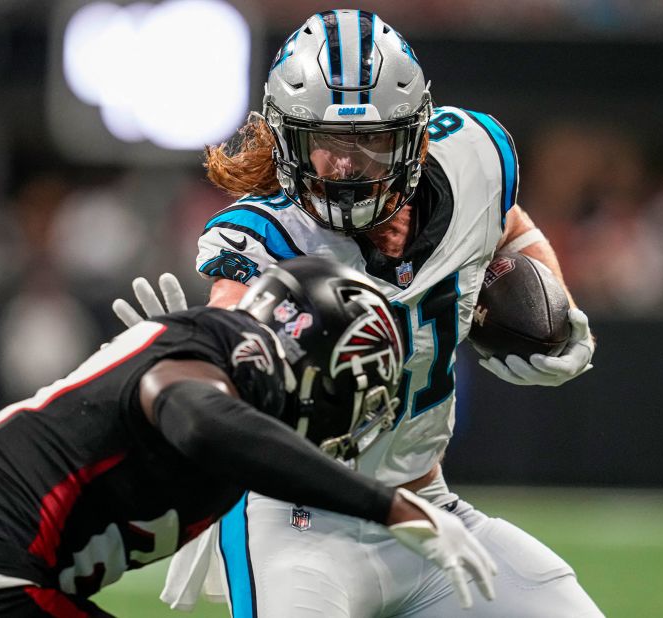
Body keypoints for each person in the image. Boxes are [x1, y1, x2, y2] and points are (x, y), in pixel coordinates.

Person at [117, 9, 601, 617]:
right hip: (293, 524)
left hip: (429, 511)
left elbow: (507, 225)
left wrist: (549, 293)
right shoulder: (264, 239)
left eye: (368, 141)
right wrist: (184, 368)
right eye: (326, 143)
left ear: (415, 138)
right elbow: (228, 341)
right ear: (285, 139)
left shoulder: (475, 159)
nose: (345, 167)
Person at [0, 257, 497, 618]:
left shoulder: (214, 362)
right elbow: (197, 417)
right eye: (355, 394)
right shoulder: (228, 354)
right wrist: (389, 505)